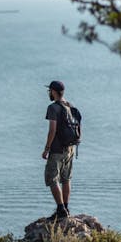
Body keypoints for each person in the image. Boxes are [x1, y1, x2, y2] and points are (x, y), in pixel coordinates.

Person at [42, 80, 79, 220]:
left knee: (52, 179)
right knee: (66, 178)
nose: (49, 93)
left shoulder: (53, 108)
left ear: (53, 92)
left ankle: (61, 210)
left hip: (57, 149)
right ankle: (66, 207)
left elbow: (52, 130)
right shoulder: (70, 105)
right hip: (70, 148)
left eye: (49, 91)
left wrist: (46, 149)